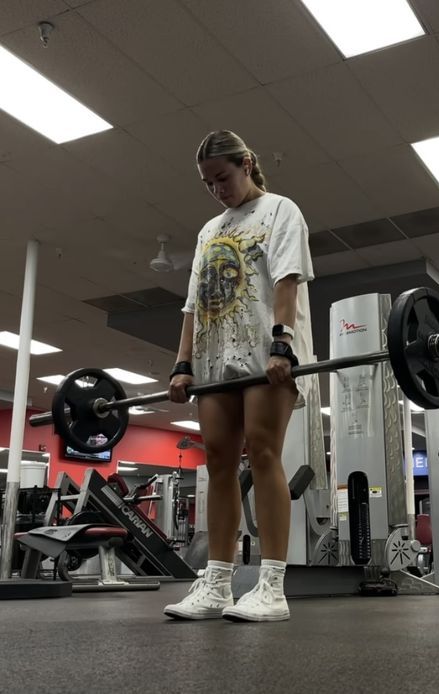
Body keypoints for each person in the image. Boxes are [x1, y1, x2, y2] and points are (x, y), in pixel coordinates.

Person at [164, 130, 315, 622]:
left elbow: (287, 278)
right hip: (215, 360)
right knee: (218, 461)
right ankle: (218, 584)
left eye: (222, 178)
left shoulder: (281, 210)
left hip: (265, 353)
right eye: (208, 184)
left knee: (263, 450)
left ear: (247, 163)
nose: (217, 190)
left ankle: (273, 586)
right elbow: (192, 305)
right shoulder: (209, 231)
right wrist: (183, 363)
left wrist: (281, 343)